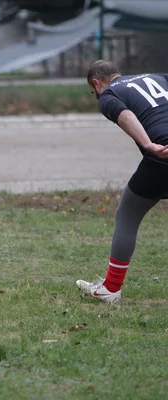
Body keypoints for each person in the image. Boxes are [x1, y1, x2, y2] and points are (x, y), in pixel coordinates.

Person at [76, 60, 168, 303]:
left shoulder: (110, 94)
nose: (96, 96)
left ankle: (111, 288)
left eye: (92, 92)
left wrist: (148, 144)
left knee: (128, 213)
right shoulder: (158, 76)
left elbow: (125, 115)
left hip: (162, 156)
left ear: (97, 83)